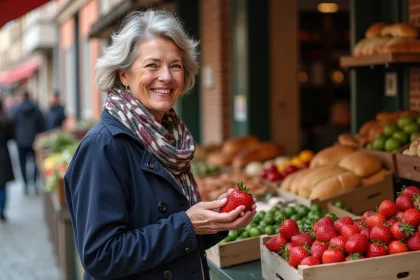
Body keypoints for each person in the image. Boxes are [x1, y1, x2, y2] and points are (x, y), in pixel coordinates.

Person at [64, 10, 257, 280]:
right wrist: (188, 224)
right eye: (152, 65)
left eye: (175, 65)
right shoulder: (104, 147)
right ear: (124, 75)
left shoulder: (170, 141)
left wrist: (217, 223)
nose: (166, 77)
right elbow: (101, 256)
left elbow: (176, 245)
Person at [10, 91, 45, 194]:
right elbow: (42, 125)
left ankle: (25, 183)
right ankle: (34, 182)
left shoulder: (16, 109)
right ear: (29, 97)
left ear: (21, 97)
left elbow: (12, 124)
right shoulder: (36, 109)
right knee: (35, 162)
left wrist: (15, 137)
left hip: (20, 141)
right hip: (34, 140)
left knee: (22, 163)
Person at [0, 98, 15, 221]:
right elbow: (11, 136)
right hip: (3, 154)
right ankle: (2, 211)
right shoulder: (6, 119)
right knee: (3, 185)